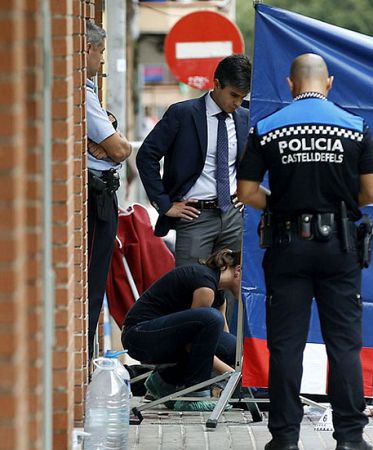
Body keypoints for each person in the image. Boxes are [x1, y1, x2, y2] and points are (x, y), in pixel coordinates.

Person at [238, 53, 373, 450]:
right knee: (344, 345)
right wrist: (336, 205)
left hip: (287, 247)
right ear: (329, 83)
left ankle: (284, 440)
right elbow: (371, 193)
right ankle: (350, 438)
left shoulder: (266, 129)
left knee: (286, 346)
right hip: (339, 246)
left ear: (290, 84)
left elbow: (246, 192)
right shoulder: (356, 128)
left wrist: (284, 203)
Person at [136, 54, 252, 266]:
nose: (237, 103)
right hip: (195, 217)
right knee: (193, 290)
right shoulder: (183, 114)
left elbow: (255, 160)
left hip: (234, 217)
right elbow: (146, 156)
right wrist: (164, 204)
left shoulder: (245, 117)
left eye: (242, 96)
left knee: (231, 292)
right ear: (216, 84)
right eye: (233, 95)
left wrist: (247, 193)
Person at [121, 248, 240, 411]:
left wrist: (239, 366)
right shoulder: (204, 286)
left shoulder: (218, 293)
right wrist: (231, 374)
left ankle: (165, 381)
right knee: (211, 318)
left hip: (164, 336)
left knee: (233, 347)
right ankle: (195, 395)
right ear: (238, 271)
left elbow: (222, 343)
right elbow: (191, 344)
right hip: (139, 335)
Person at [85, 20, 132, 360]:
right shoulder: (83, 92)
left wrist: (111, 138)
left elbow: (113, 143)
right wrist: (115, 143)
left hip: (100, 190)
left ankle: (84, 351)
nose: (102, 60)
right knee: (93, 277)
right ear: (87, 48)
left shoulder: (86, 89)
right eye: (100, 52)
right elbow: (117, 150)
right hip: (95, 195)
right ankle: (83, 351)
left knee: (96, 277)